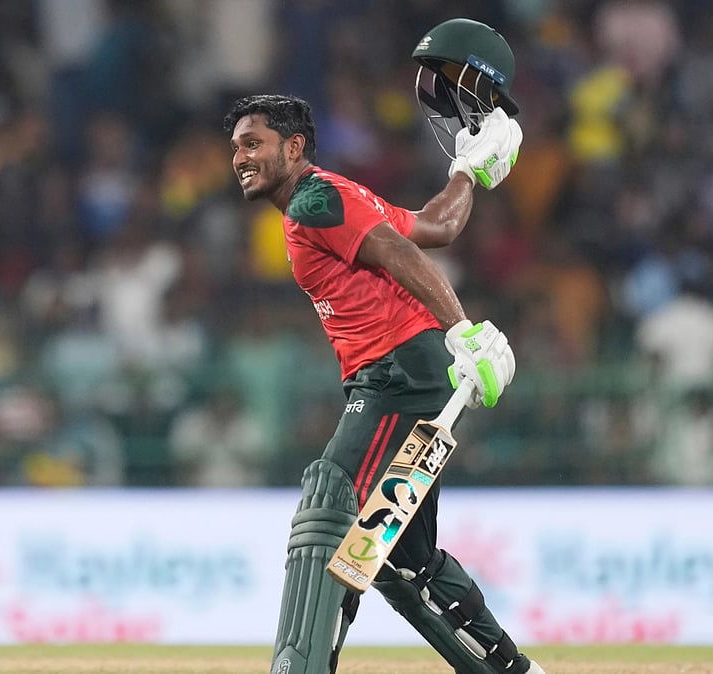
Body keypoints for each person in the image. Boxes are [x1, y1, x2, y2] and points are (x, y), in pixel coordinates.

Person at [222, 20, 537, 674]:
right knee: (397, 556)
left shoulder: (314, 198)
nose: (241, 157)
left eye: (254, 143)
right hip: (422, 378)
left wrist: (463, 330)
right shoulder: (344, 198)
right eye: (235, 147)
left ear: (294, 146)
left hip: (399, 377)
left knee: (332, 493)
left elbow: (400, 253)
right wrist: (469, 169)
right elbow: (435, 228)